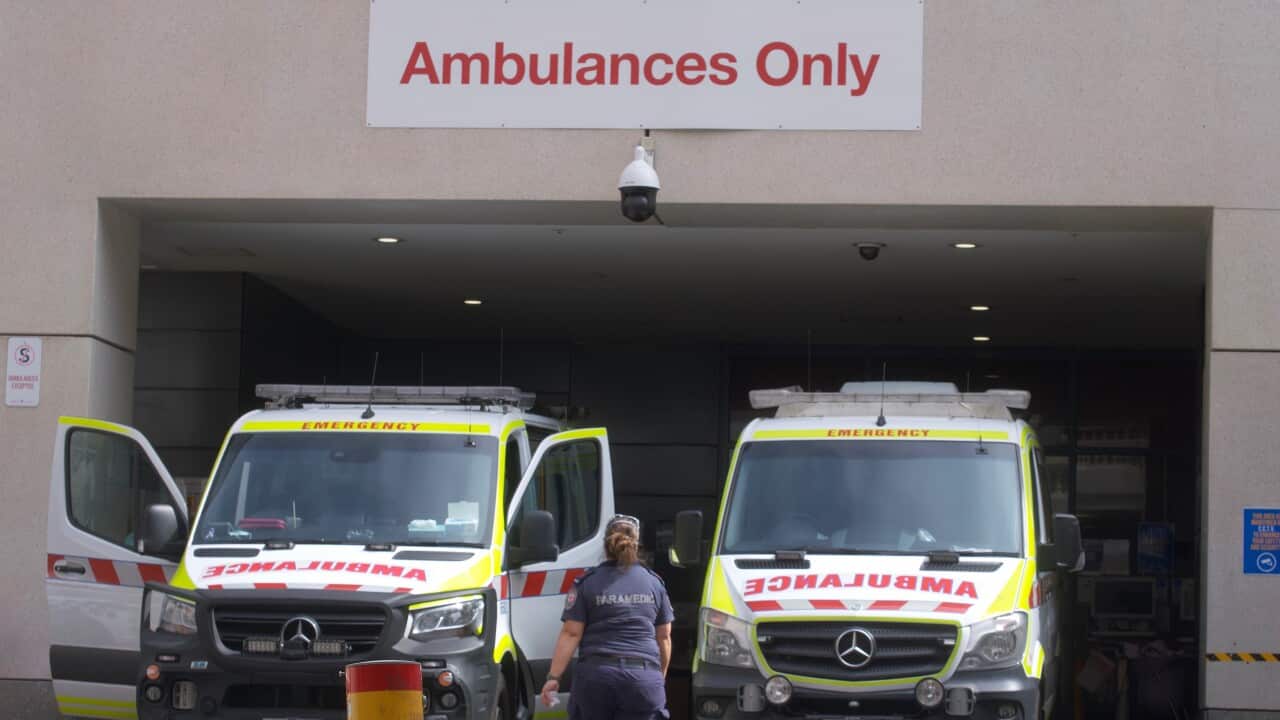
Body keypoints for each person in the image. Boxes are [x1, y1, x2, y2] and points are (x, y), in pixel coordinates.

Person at [539, 515, 673, 720]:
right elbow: (663, 637)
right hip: (642, 679)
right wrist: (657, 677)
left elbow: (571, 633)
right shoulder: (654, 584)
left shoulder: (587, 582)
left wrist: (554, 677)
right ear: (636, 545)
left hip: (596, 680)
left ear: (605, 546)